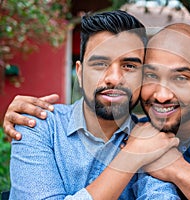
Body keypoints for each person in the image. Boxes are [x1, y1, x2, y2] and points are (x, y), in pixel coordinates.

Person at [4, 23, 190, 199]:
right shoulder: (140, 135)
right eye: (150, 76)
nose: (161, 94)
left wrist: (177, 170)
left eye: (181, 77)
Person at [5, 10, 180, 199]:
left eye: (129, 66)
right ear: (79, 73)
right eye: (100, 64)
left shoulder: (151, 137)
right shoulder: (38, 126)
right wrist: (131, 156)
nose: (114, 78)